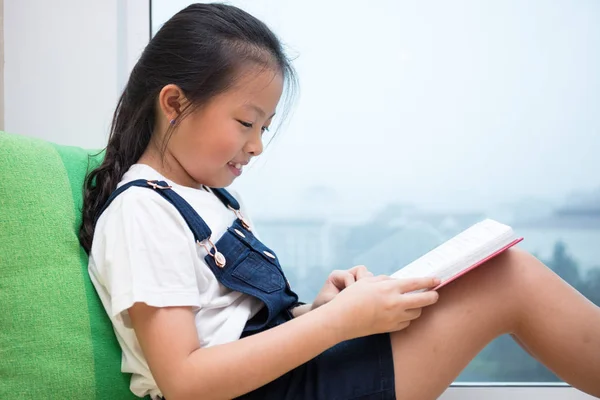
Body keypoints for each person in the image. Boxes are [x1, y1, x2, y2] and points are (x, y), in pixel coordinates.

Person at [79, 3, 600, 400]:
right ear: (174, 103)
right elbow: (187, 381)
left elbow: (233, 325)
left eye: (265, 127)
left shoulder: (212, 200)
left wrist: (317, 310)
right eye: (246, 122)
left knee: (500, 273)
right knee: (509, 278)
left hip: (288, 377)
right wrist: (339, 323)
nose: (257, 144)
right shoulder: (142, 211)